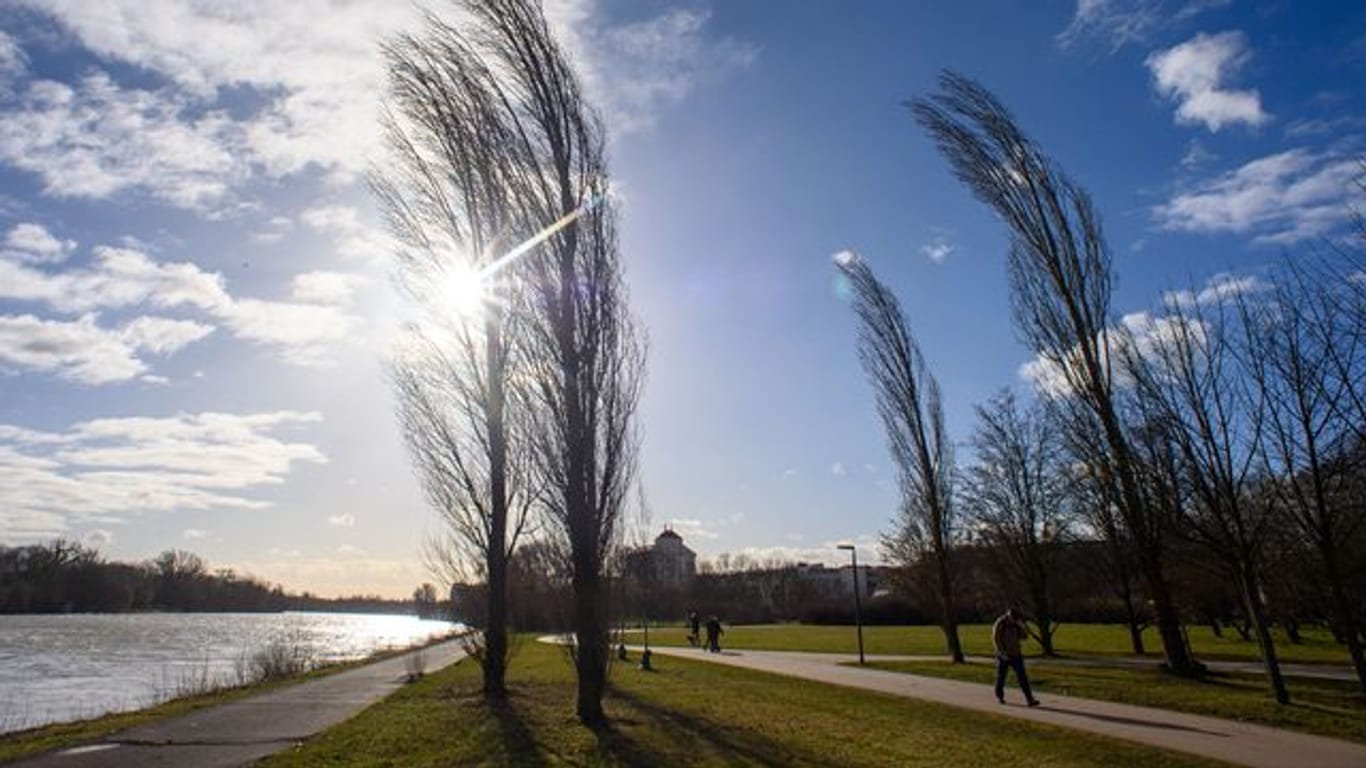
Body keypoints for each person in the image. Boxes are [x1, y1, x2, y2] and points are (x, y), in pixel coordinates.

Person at [992, 607, 1040, 707]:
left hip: (1016, 654)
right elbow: (996, 640)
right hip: (1003, 655)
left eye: (1016, 619)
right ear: (1009, 616)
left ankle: (1030, 699)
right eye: (1013, 618)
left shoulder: (1016, 624)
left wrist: (1021, 626)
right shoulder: (1000, 623)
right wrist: (1002, 653)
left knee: (1023, 677)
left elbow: (1025, 637)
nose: (1014, 620)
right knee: (1001, 677)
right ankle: (1000, 696)